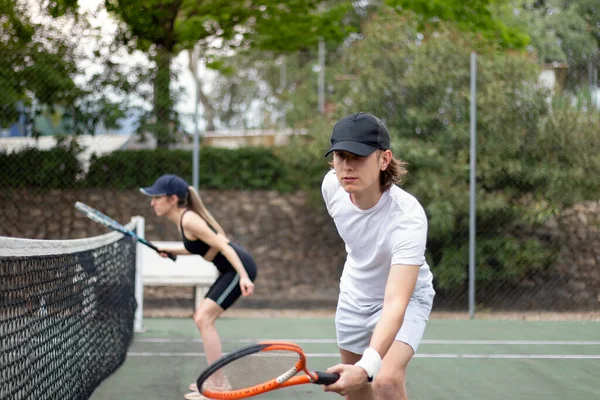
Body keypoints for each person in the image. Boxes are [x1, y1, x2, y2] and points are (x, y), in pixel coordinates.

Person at [320, 112, 435, 400]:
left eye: (358, 156)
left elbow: (396, 301)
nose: (347, 166)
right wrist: (360, 374)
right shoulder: (331, 187)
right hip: (353, 296)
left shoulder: (408, 217)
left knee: (385, 380)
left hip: (406, 300)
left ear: (384, 160)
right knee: (356, 392)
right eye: (340, 156)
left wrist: (368, 366)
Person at [140, 174, 257, 400]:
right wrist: (175, 252)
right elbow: (200, 247)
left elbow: (223, 244)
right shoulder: (183, 219)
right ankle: (216, 380)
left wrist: (243, 277)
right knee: (201, 318)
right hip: (229, 270)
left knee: (204, 319)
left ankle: (219, 385)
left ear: (172, 199)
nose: (152, 202)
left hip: (238, 268)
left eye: (156, 197)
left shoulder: (189, 219)